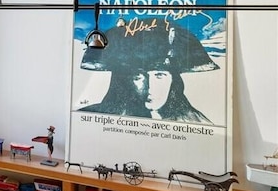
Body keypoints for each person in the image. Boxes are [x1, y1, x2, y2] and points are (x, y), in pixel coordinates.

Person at [78, 17, 217, 123]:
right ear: (122, 82)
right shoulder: (92, 117)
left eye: (159, 75)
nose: (150, 87)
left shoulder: (195, 121)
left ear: (174, 81)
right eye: (138, 77)